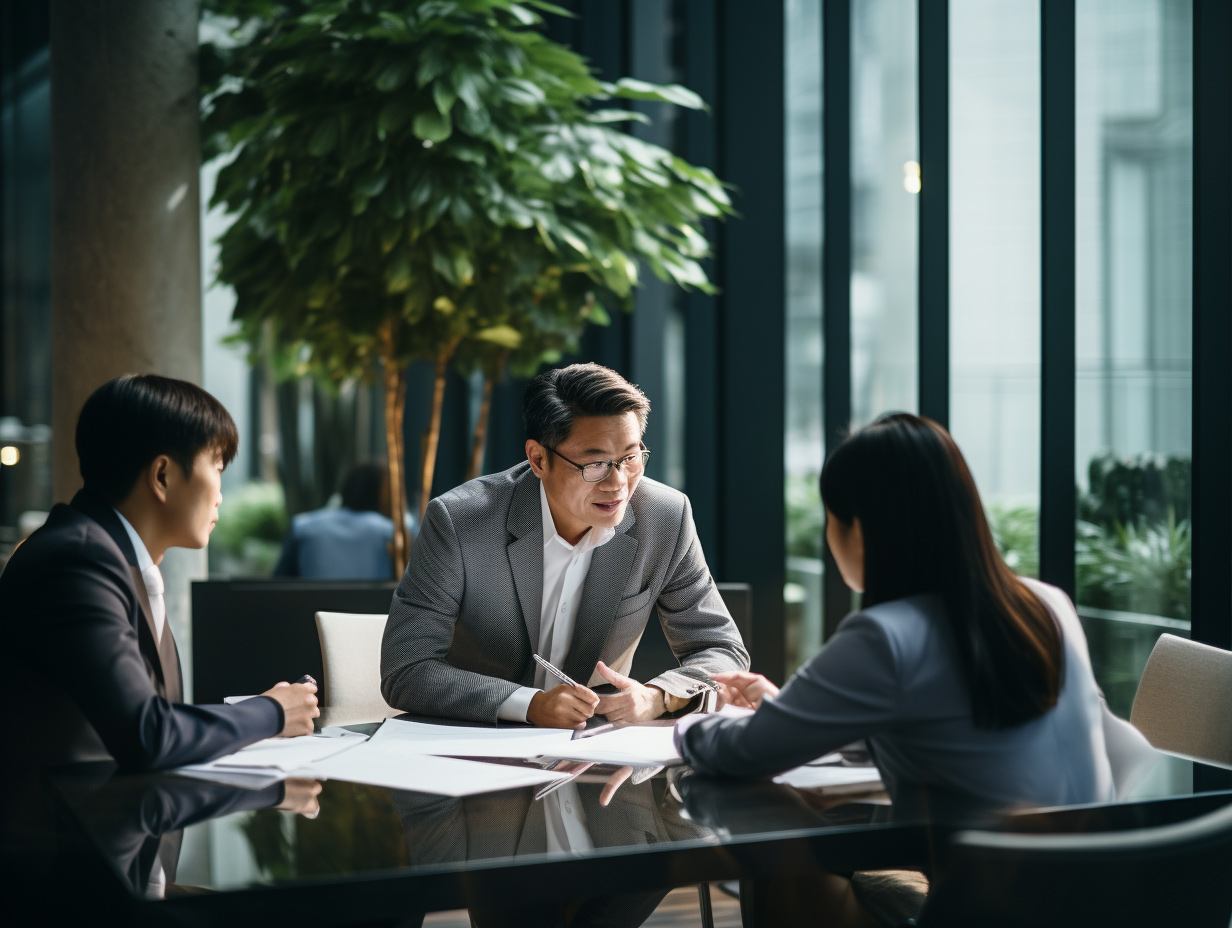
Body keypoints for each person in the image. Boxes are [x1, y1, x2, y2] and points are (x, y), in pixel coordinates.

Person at [676, 413, 1144, 926]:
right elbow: (962, 725)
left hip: (979, 911)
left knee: (773, 831)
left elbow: (740, 753)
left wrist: (687, 718)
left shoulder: (885, 636)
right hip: (1093, 901)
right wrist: (788, 711)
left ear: (858, 528)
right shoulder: (1047, 604)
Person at [381, 362, 749, 729]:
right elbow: (407, 669)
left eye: (630, 458)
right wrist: (529, 705)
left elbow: (722, 649)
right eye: (596, 463)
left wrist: (661, 695)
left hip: (597, 754)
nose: (618, 483)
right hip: (476, 746)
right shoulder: (461, 522)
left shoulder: (664, 518)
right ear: (539, 459)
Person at [0, 374, 319, 771]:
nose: (220, 493)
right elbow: (149, 733)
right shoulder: (77, 561)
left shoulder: (114, 557)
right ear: (163, 476)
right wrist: (272, 712)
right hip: (70, 827)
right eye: (217, 466)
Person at [273, 460, 400, 580]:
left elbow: (279, 582)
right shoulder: (391, 532)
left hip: (312, 602)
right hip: (375, 603)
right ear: (386, 496)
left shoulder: (302, 526)